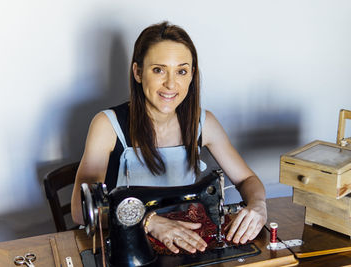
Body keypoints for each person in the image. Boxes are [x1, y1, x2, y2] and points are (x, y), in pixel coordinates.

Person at [71, 21, 267, 254]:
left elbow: (246, 180)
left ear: (192, 75)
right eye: (158, 70)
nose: (171, 84)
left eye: (181, 71)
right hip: (128, 248)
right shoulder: (108, 126)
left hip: (183, 245)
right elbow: (80, 209)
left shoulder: (203, 123)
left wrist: (258, 205)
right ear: (138, 72)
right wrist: (149, 221)